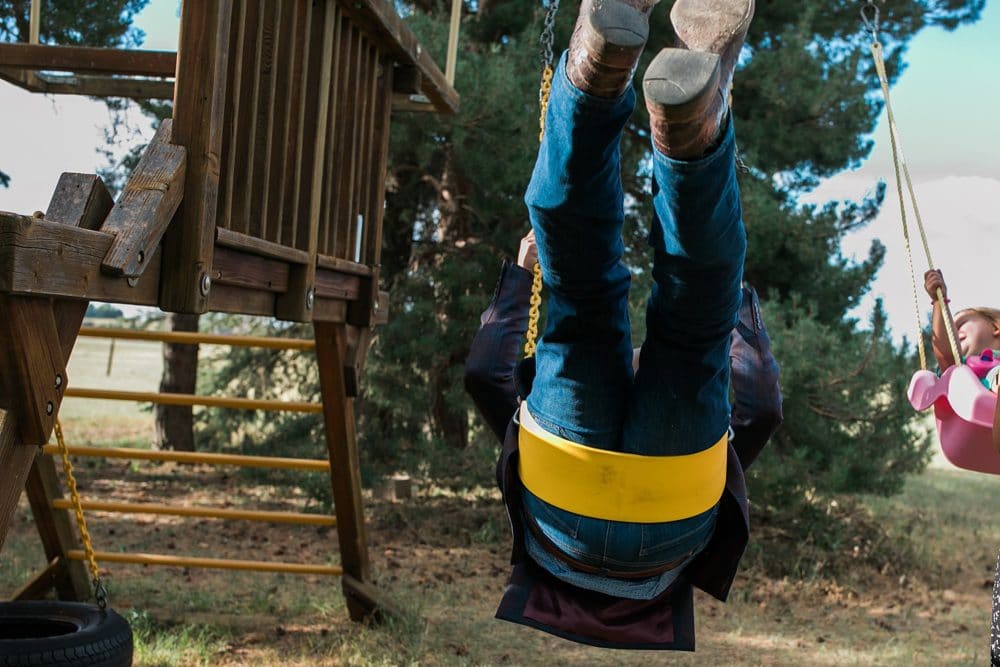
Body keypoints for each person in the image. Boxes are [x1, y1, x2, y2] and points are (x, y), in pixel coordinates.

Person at [464, 0, 782, 646]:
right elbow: (482, 375)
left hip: (676, 510)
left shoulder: (685, 431)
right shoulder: (550, 418)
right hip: (558, 497)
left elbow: (762, 407)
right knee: (580, 289)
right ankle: (590, 72)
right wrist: (525, 278)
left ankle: (689, 130)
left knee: (694, 321)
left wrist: (734, 309)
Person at [924, 269, 1000, 389]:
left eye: (960, 325)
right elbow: (948, 356)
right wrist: (939, 302)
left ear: (996, 326)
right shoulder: (963, 369)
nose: (954, 333)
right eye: (950, 329)